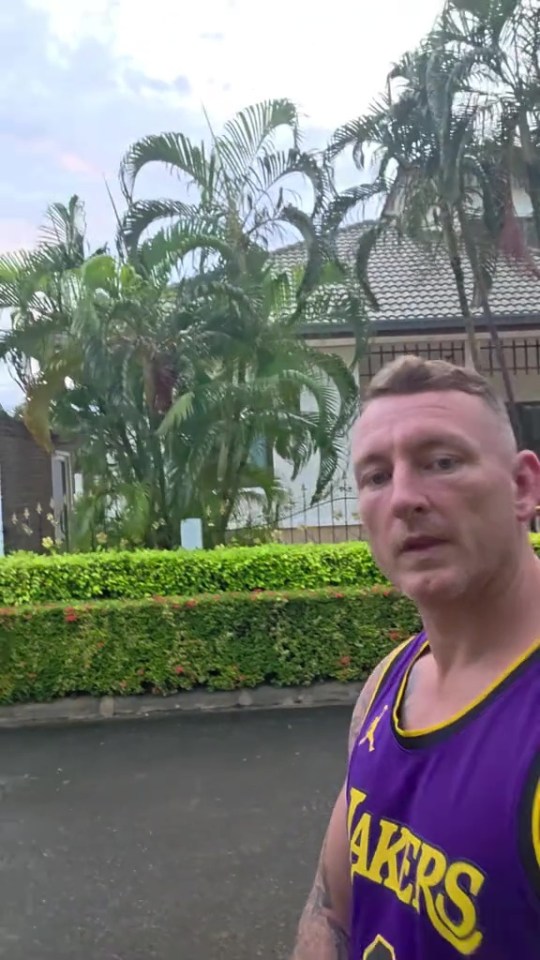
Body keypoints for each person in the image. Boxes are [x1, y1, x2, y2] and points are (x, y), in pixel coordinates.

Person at [291, 356, 540, 959]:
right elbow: (332, 907)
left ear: (523, 487)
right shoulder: (389, 683)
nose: (404, 497)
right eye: (376, 477)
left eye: (442, 462)